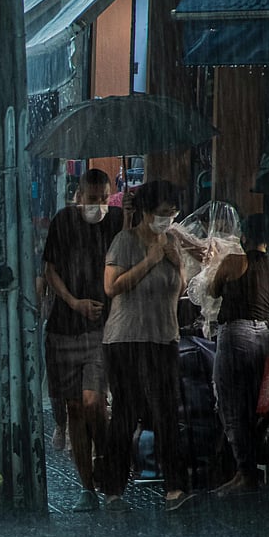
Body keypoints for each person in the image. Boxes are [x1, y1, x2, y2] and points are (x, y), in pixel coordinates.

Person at [101, 180, 192, 512]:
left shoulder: (171, 242)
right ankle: (113, 489)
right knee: (125, 414)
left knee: (167, 413)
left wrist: (176, 263)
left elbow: (178, 288)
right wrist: (150, 260)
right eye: (162, 213)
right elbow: (112, 287)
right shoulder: (124, 241)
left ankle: (175, 489)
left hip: (164, 337)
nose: (167, 219)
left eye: (172, 213)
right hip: (127, 339)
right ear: (146, 212)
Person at [41, 168, 125, 512]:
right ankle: (86, 486)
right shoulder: (63, 221)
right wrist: (74, 302)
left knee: (94, 402)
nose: (99, 206)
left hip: (102, 329)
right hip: (63, 327)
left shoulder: (118, 219)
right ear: (79, 197)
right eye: (93, 200)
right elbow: (49, 269)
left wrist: (130, 213)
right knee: (75, 408)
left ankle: (109, 473)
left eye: (104, 199)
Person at [209, 213, 269, 496]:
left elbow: (212, 289)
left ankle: (245, 473)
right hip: (263, 338)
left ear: (244, 236)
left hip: (236, 335)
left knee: (231, 403)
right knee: (258, 405)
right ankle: (250, 468)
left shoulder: (234, 262)